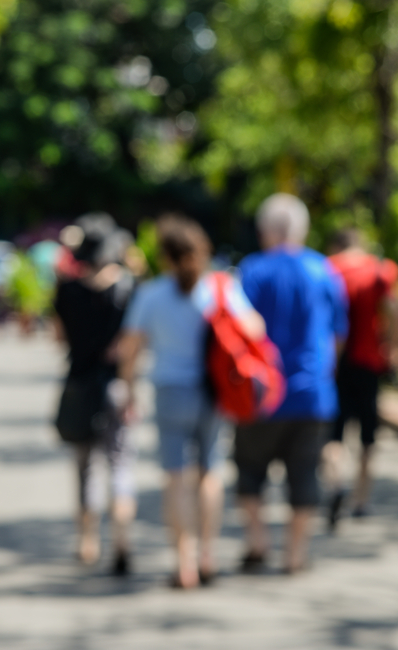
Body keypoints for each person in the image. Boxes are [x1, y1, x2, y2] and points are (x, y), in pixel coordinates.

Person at [116, 214, 264, 589]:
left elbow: (130, 349)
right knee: (210, 474)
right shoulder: (219, 288)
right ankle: (208, 554)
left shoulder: (151, 294)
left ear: (163, 255)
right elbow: (254, 328)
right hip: (212, 391)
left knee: (176, 477)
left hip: (169, 391)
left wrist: (129, 390)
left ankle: (183, 562)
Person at [236, 193, 348, 574]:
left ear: (266, 230)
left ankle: (258, 541)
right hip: (313, 391)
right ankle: (295, 555)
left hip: (260, 394)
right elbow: (337, 333)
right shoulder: (324, 271)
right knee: (305, 476)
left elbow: (237, 332)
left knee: (249, 471)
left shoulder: (251, 271)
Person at [53, 216, 137, 575]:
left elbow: (59, 339)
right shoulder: (130, 289)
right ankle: (121, 539)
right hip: (117, 385)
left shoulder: (67, 291)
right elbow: (134, 345)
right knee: (120, 465)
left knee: (86, 469)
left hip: (79, 383)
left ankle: (87, 541)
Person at [324, 228, 398, 529]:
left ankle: (334, 485)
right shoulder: (378, 270)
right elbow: (395, 309)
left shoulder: (328, 269)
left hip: (335, 364)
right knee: (368, 435)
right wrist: (394, 348)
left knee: (334, 434)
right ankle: (361, 499)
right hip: (369, 362)